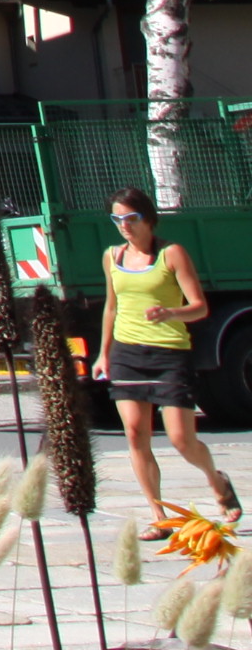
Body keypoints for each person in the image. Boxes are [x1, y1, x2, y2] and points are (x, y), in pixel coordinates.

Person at [93, 186, 240, 521]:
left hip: (169, 355)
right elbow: (111, 308)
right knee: (135, 434)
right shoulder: (112, 257)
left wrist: (171, 313)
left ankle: (218, 483)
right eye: (118, 219)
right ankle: (159, 517)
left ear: (148, 219)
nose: (124, 226)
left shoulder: (171, 254)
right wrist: (104, 354)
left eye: (131, 218)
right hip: (127, 354)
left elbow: (199, 307)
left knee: (181, 439)